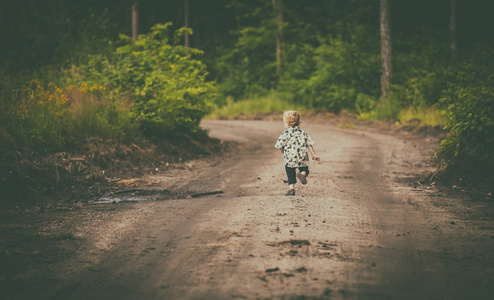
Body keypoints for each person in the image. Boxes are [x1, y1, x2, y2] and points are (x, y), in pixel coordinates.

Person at [275, 110, 320, 196]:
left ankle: (291, 189)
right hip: (302, 157)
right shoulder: (303, 133)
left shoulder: (285, 134)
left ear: (286, 123)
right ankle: (303, 174)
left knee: (290, 171)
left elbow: (279, 146)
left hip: (290, 159)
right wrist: (313, 154)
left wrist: (283, 151)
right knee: (305, 169)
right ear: (299, 121)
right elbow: (309, 144)